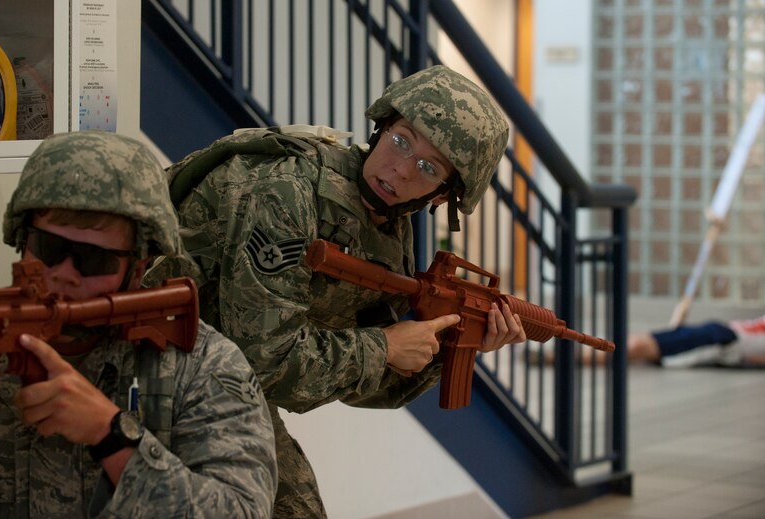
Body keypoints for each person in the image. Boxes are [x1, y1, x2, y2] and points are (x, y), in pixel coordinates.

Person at [145, 65, 527, 517]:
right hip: (144, 351)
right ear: (381, 126)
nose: (401, 169)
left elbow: (365, 388)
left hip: (215, 366)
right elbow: (270, 364)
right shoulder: (287, 191)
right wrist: (383, 346)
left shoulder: (387, 228)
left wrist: (450, 343)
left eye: (428, 167)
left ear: (444, 196)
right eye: (401, 140)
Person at [0, 131, 277, 518]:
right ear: (22, 240)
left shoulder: (200, 365)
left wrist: (110, 435)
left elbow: (241, 511)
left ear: (138, 268)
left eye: (94, 260)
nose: (65, 274)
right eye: (49, 248)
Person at [627, 315, 765, 368]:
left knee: (642, 346)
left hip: (724, 340)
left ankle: (607, 347)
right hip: (722, 338)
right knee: (640, 346)